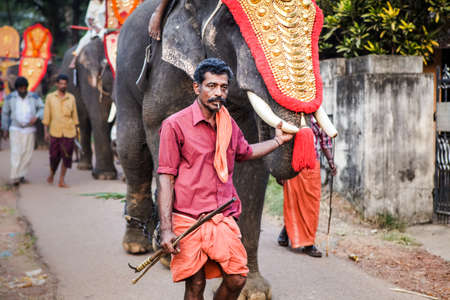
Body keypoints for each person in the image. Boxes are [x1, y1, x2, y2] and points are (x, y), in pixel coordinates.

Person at [157, 58, 294, 300]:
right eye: (211, 86)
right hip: (188, 219)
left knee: (237, 278)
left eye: (223, 87)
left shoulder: (227, 123)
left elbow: (245, 152)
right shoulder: (174, 125)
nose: (218, 93)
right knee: (196, 284)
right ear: (196, 87)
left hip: (222, 217)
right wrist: (166, 229)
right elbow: (166, 178)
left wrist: (277, 141)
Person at [277, 116, 337, 257]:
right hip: (293, 166)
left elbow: (325, 142)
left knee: (311, 206)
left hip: (312, 166)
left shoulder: (318, 119)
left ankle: (304, 240)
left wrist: (331, 161)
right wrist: (280, 171)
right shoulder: (289, 116)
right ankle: (305, 243)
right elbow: (284, 145)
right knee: (293, 203)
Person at [1, 77, 45, 186]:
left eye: (24, 87)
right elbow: (5, 113)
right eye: (20, 88)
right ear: (16, 88)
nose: (22, 90)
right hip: (15, 128)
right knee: (16, 152)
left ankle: (21, 175)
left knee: (27, 153)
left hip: (29, 129)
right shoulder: (10, 98)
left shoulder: (34, 97)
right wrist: (5, 129)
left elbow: (42, 108)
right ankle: (14, 177)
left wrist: (37, 117)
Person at [42, 74, 79, 188]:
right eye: (61, 83)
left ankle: (62, 180)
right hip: (55, 131)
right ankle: (52, 173)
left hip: (69, 131)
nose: (63, 85)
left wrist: (77, 132)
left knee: (67, 157)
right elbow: (47, 115)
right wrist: (46, 131)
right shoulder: (50, 97)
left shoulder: (71, 98)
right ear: (57, 84)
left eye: (65, 84)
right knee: (54, 156)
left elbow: (75, 116)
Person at [70, 0, 105, 68]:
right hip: (95, 28)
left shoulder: (108, 2)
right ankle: (74, 60)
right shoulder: (93, 3)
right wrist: (96, 28)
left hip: (106, 27)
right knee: (83, 41)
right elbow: (90, 19)